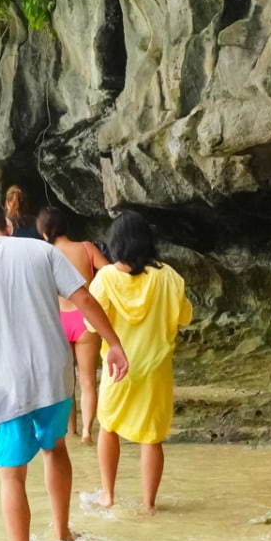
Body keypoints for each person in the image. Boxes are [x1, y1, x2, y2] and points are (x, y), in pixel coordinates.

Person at [0, 202, 129, 541]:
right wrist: (114, 344)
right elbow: (83, 297)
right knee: (55, 449)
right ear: (6, 226)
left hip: (5, 385)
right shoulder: (41, 251)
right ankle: (62, 533)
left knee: (11, 476)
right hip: (53, 373)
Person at [89, 211, 192, 511]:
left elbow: (93, 324)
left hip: (117, 367)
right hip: (156, 369)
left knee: (108, 427)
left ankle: (108, 495)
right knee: (151, 436)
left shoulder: (106, 278)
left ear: (115, 243)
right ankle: (149, 504)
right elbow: (184, 317)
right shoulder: (169, 277)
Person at [37, 206, 111, 444]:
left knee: (64, 380)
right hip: (85, 318)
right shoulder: (86, 248)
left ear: (44, 230)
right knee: (87, 380)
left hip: (57, 320)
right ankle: (88, 433)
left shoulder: (44, 253)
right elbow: (111, 274)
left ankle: (71, 430)